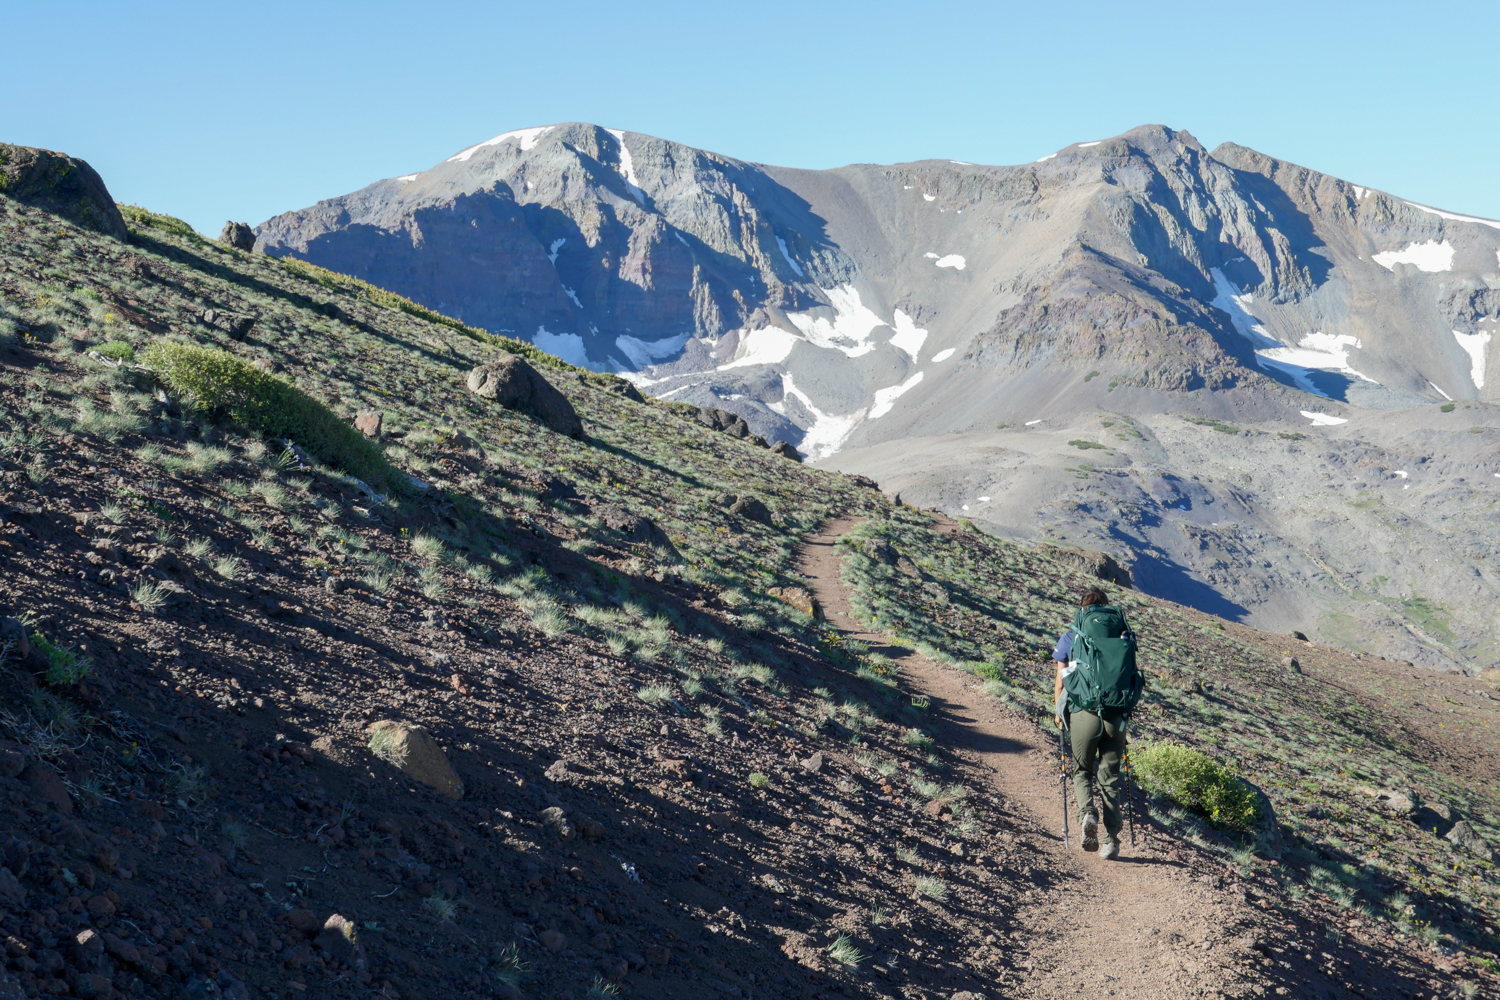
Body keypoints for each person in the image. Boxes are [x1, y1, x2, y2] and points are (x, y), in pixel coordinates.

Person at [1053, 587, 1130, 860]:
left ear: (1082, 610)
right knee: (1110, 779)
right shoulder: (1122, 637)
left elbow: (1061, 679)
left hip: (1084, 713)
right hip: (1116, 716)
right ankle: (1111, 842)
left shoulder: (1071, 637)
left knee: (1082, 770)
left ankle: (1088, 813)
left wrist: (1058, 711)